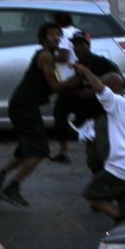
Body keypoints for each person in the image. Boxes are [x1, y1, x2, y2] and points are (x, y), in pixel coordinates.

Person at [0, 23, 65, 207]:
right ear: (44, 38)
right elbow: (55, 86)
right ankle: (13, 187)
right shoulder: (46, 56)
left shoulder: (48, 55)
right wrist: (78, 82)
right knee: (39, 151)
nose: (55, 37)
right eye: (51, 34)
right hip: (25, 106)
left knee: (27, 147)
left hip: (23, 105)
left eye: (58, 34)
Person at [74, 63, 125, 222]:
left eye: (106, 84)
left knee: (91, 194)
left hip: (123, 165)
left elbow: (100, 89)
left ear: (113, 88)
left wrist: (86, 70)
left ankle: (119, 218)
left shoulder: (116, 103)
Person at [67, 31, 122, 175]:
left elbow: (118, 83)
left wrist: (92, 91)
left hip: (102, 114)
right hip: (87, 117)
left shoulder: (101, 63)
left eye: (81, 44)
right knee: (93, 158)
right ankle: (99, 182)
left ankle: (111, 183)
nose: (78, 48)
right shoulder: (78, 66)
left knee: (105, 152)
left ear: (88, 45)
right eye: (75, 45)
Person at [50, 11, 80, 164]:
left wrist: (48, 55)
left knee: (59, 115)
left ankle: (64, 152)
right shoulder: (77, 32)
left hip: (69, 82)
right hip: (79, 78)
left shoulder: (63, 34)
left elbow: (64, 56)